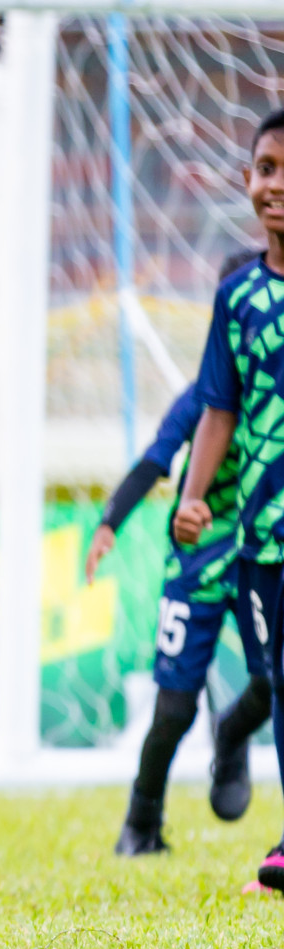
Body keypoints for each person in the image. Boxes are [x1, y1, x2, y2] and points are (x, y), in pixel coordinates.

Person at [86, 319, 271, 857]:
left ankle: (232, 732)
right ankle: (141, 825)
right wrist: (109, 522)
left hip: (266, 552)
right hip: (198, 559)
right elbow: (155, 459)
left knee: (273, 681)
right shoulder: (203, 398)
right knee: (173, 707)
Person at [174, 107, 284, 892]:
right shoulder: (239, 295)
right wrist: (192, 497)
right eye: (265, 168)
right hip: (263, 542)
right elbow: (218, 408)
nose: (273, 186)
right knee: (279, 684)